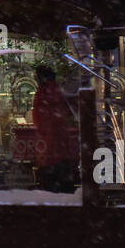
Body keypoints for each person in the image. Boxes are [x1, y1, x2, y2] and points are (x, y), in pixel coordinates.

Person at [31, 65, 79, 193]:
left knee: (50, 190)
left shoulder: (41, 94)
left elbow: (38, 120)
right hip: (63, 147)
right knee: (65, 188)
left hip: (48, 150)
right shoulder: (61, 91)